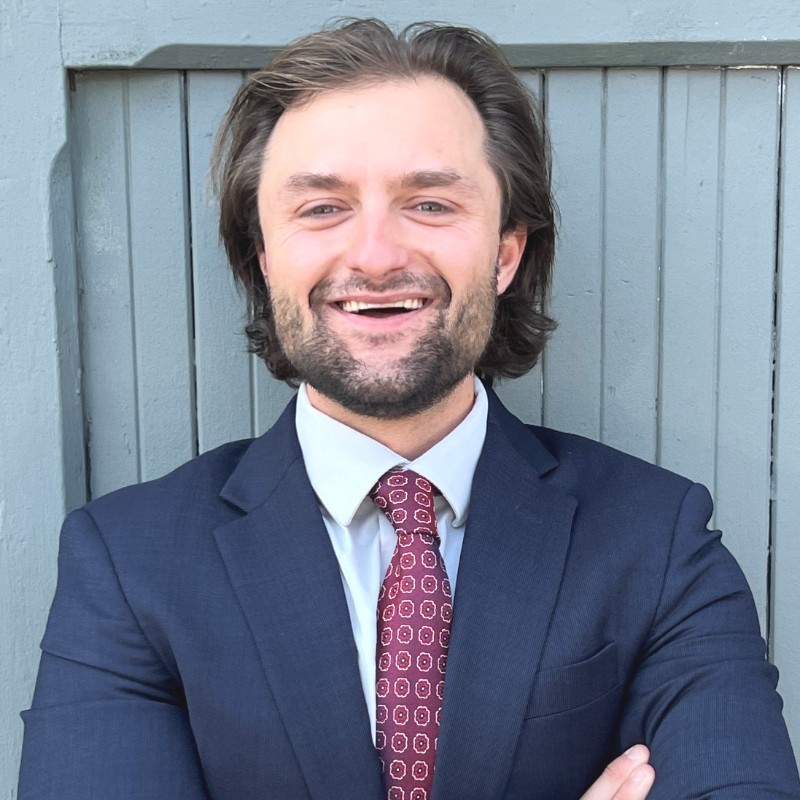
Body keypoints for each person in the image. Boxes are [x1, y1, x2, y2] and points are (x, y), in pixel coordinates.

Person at [18, 18, 800, 800]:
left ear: (504, 252)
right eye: (322, 208)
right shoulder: (129, 565)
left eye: (429, 203)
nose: (376, 255)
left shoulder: (656, 541)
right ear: (265, 255)